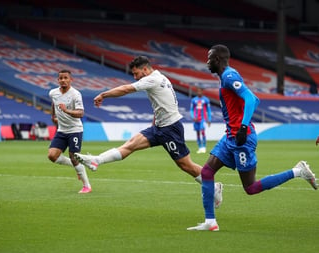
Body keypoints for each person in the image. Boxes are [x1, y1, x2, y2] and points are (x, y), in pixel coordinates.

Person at [187, 44, 317, 232]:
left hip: (242, 138)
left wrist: (243, 127)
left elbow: (251, 98)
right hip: (230, 137)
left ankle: (298, 171)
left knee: (251, 188)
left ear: (216, 59)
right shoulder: (225, 78)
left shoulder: (229, 76)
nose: (206, 63)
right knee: (207, 172)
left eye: (209, 58)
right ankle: (210, 222)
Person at [74, 56, 223, 206]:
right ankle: (96, 160)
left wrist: (103, 94)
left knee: (186, 165)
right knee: (130, 144)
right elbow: (161, 103)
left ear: (145, 69)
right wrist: (155, 122)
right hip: (159, 127)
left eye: (136, 73)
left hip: (171, 128)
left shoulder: (153, 79)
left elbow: (126, 89)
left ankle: (214, 187)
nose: (135, 77)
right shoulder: (159, 77)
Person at [47, 70, 92, 194]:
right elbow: (54, 103)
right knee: (52, 155)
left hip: (75, 130)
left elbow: (81, 113)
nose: (63, 80)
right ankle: (78, 165)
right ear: (58, 80)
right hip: (62, 129)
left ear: (70, 79)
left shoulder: (75, 94)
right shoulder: (53, 93)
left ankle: (87, 186)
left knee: (74, 156)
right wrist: (53, 115)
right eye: (60, 78)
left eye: (65, 78)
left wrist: (66, 111)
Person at [190, 88, 211, 153]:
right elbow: (191, 109)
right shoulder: (194, 100)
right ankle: (200, 147)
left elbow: (208, 110)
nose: (199, 92)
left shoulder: (206, 100)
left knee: (202, 131)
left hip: (203, 119)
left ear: (202, 91)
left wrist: (209, 119)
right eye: (198, 91)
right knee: (198, 133)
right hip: (196, 119)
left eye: (200, 91)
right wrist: (193, 117)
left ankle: (204, 147)